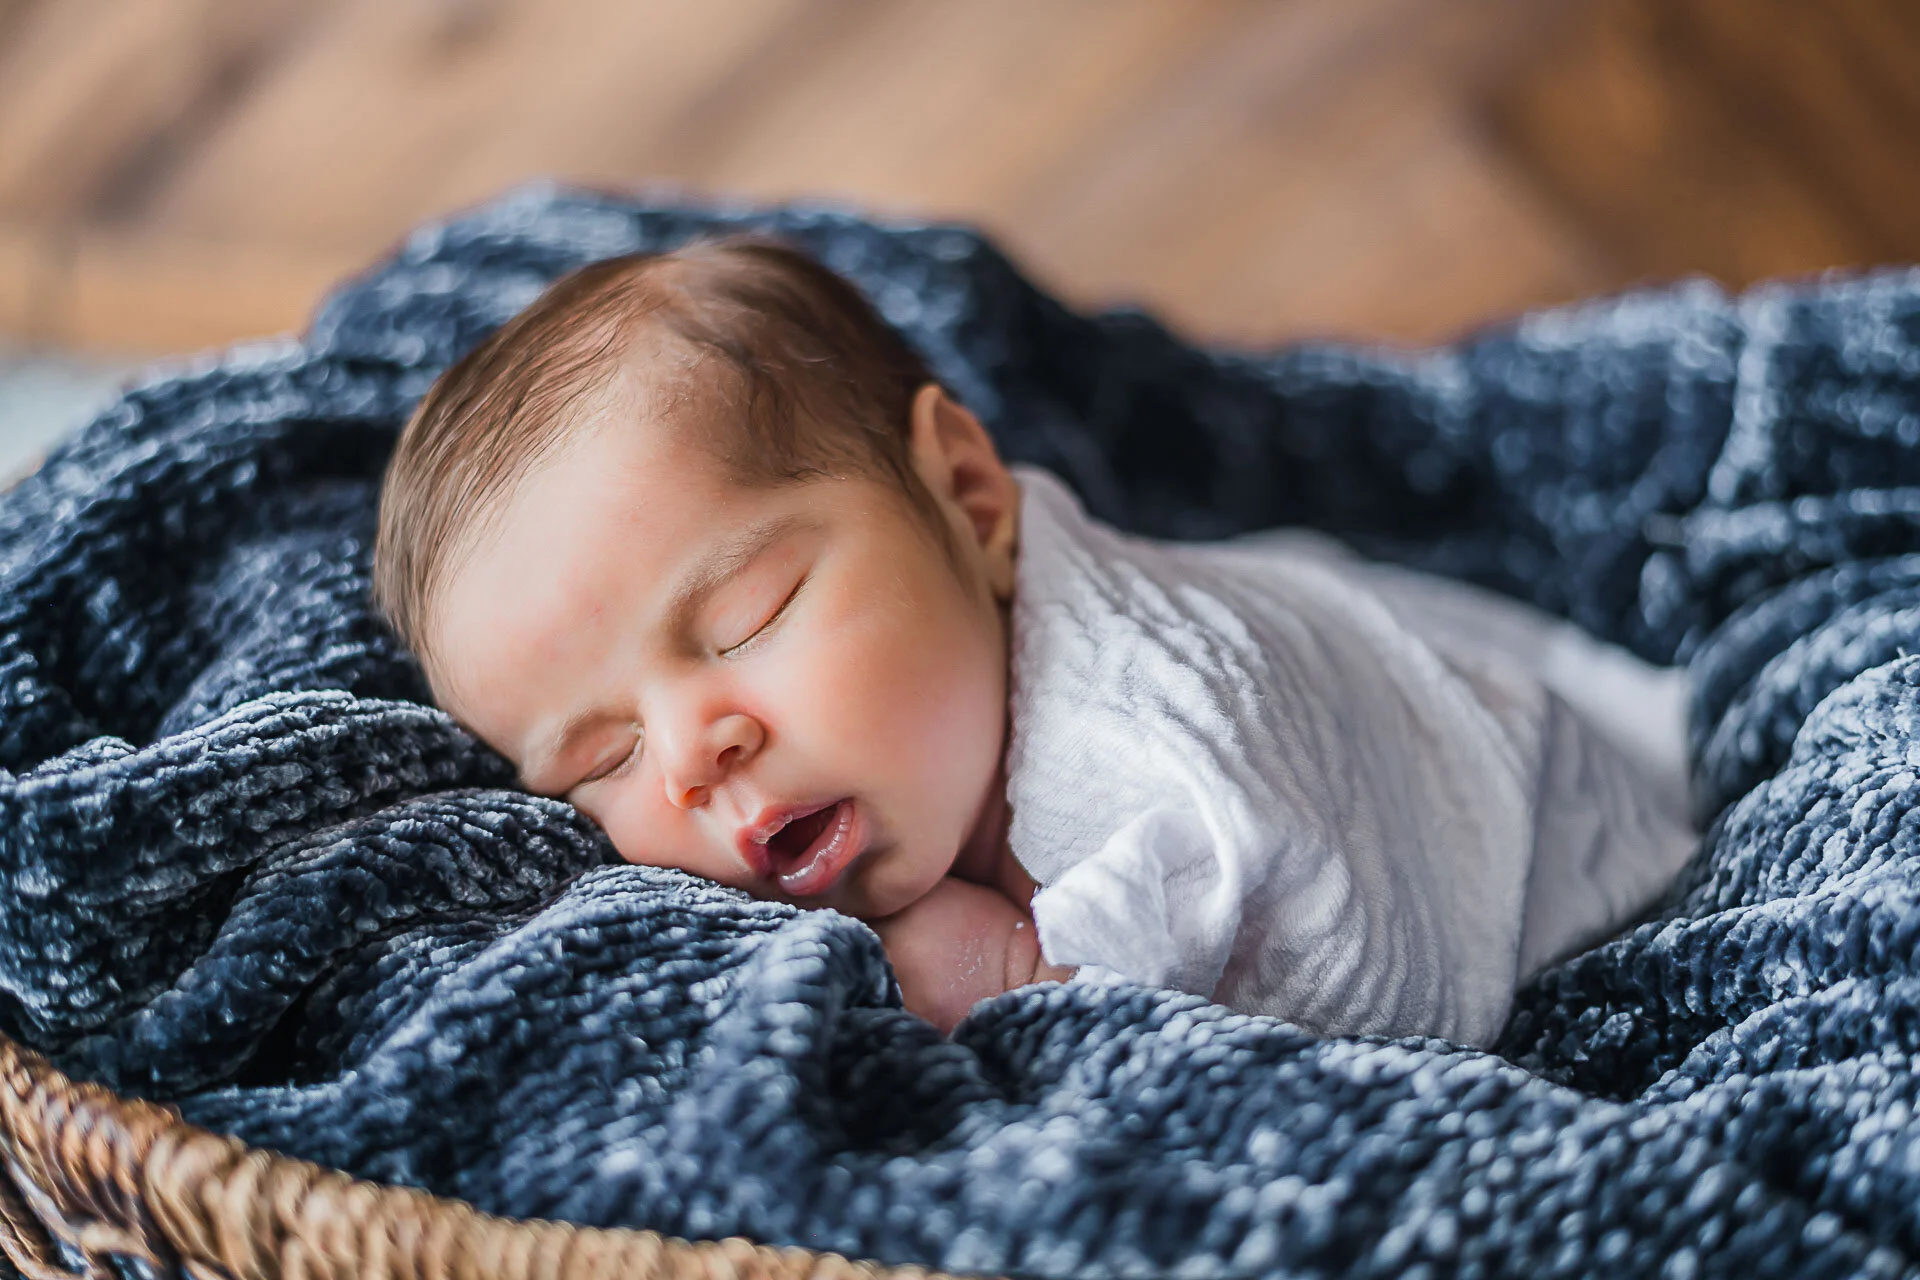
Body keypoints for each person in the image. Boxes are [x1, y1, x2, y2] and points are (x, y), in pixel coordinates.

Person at [373, 239, 1697, 1042]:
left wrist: (996, 964)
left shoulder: (1148, 781)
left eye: (747, 620)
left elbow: (1188, 1060)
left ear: (968, 493)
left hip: (1591, 853)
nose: (693, 755)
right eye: (595, 763)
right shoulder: (942, 700)